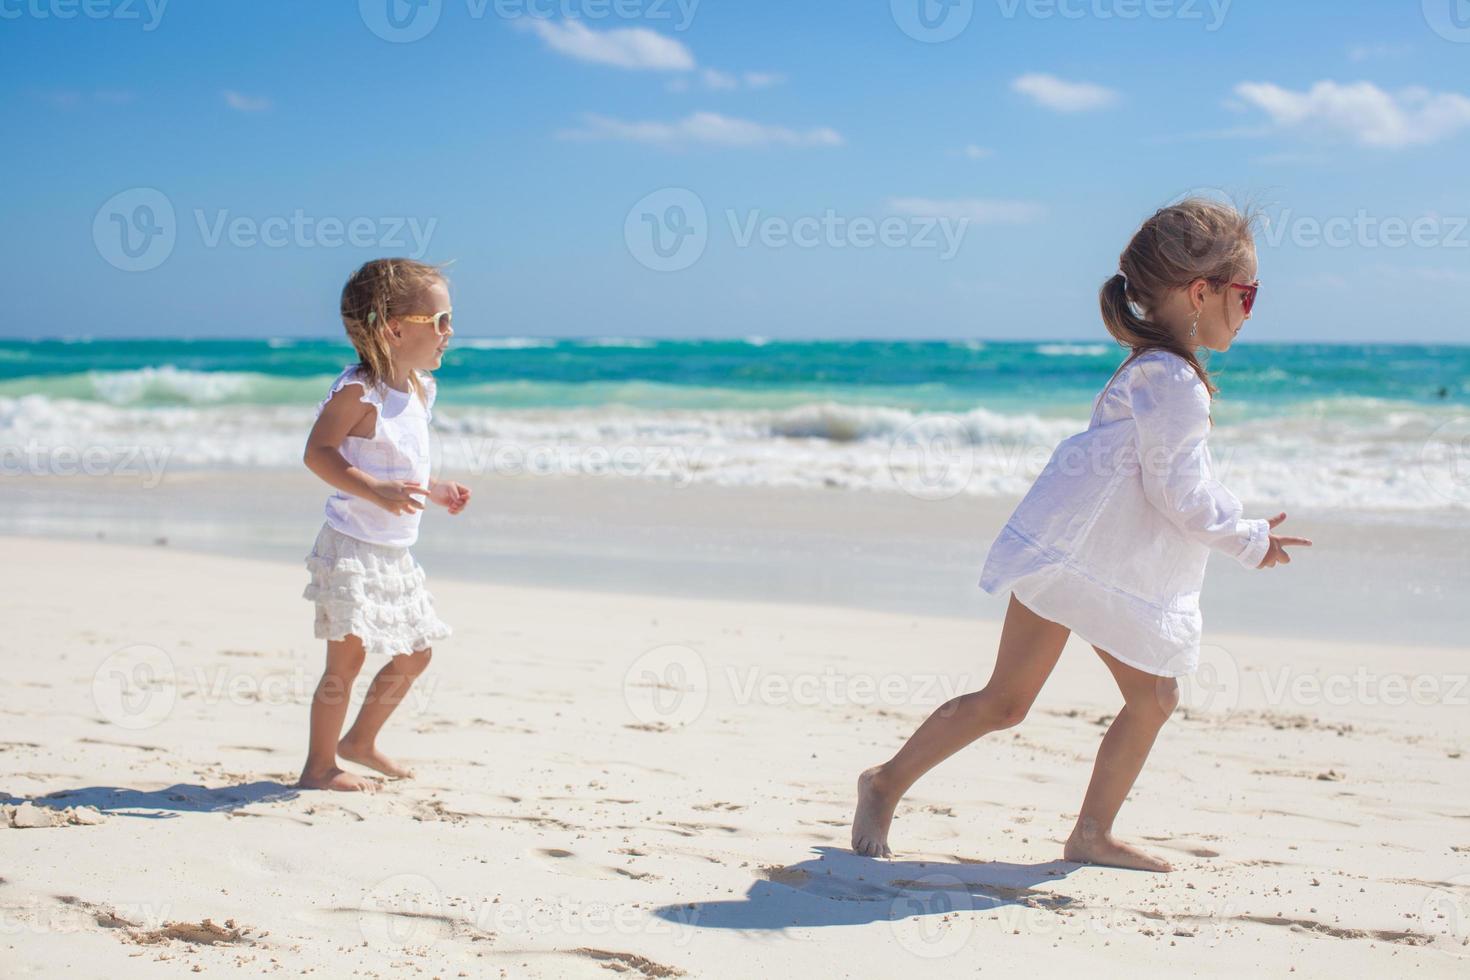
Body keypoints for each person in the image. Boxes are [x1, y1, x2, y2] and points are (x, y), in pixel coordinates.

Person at [851, 198, 1312, 870]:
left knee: (1109, 697)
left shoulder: (1156, 369)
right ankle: (886, 784)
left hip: (1086, 557)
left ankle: (1088, 834)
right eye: (1248, 296)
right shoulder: (1173, 381)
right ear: (1200, 292)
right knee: (1019, 701)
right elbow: (1176, 493)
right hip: (1082, 561)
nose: (1249, 313)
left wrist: (1238, 526)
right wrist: (1247, 539)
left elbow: (1163, 482)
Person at [298, 258, 471, 792]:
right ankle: (319, 767)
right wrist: (373, 490)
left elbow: (400, 462)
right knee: (345, 660)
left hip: (394, 552)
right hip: (352, 545)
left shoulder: (418, 390)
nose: (450, 333)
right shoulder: (359, 391)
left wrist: (433, 489)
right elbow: (318, 453)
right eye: (439, 321)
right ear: (396, 329)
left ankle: (360, 742)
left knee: (416, 650)